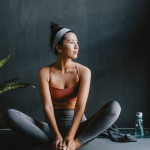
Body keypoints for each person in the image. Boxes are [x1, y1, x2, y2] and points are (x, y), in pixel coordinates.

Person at [4, 22, 121, 150]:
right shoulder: (44, 72)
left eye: (77, 42)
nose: (77, 46)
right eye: (71, 42)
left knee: (114, 107)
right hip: (51, 128)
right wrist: (56, 136)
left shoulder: (84, 71)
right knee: (10, 114)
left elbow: (80, 106)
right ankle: (56, 144)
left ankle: (76, 144)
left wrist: (71, 137)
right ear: (59, 48)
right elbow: (47, 107)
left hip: (80, 129)